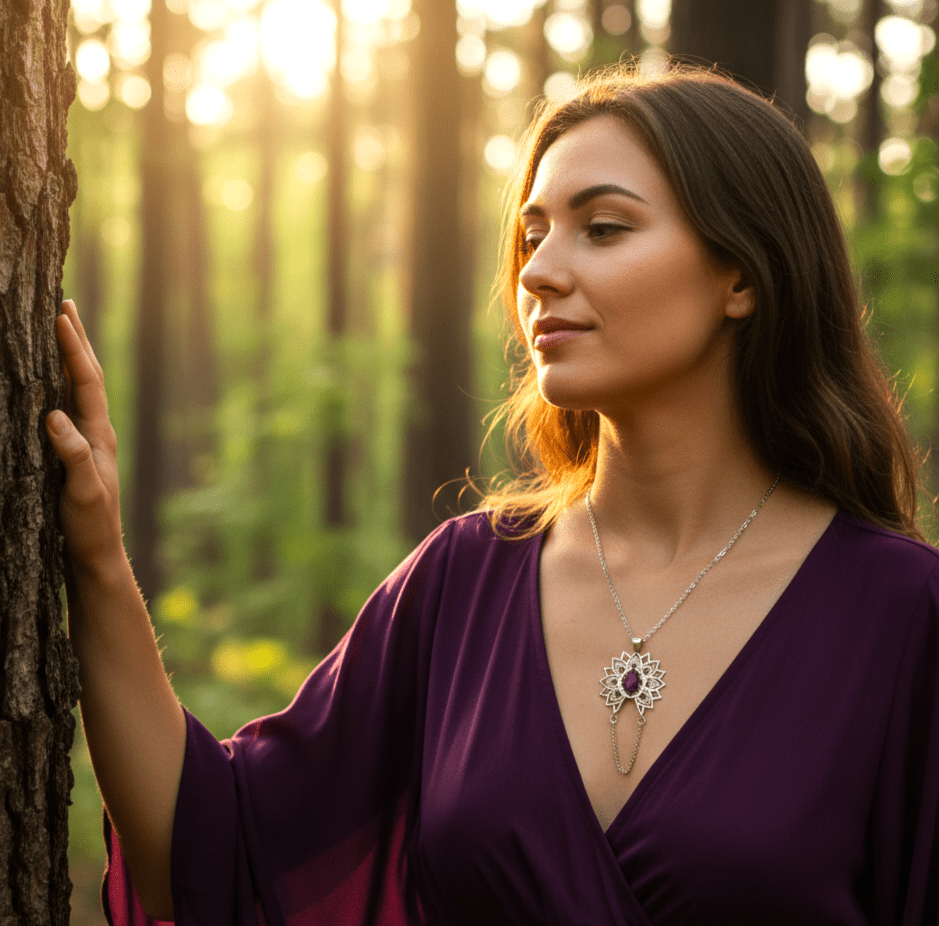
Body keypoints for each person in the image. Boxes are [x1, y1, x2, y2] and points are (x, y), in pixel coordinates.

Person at [47, 63, 939, 926]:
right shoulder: (464, 584)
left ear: (739, 276)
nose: (538, 272)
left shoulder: (903, 616)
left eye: (602, 228)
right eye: (531, 234)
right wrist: (94, 550)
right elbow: (204, 853)